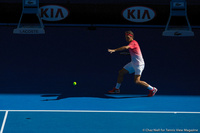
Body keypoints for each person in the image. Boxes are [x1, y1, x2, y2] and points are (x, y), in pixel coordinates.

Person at [108, 31, 157, 97]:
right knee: (121, 72)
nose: (126, 39)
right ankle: (116, 89)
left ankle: (152, 89)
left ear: (132, 37)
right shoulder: (132, 44)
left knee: (137, 81)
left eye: (128, 37)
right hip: (133, 63)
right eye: (126, 37)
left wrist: (114, 50)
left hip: (139, 65)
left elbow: (125, 47)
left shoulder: (133, 43)